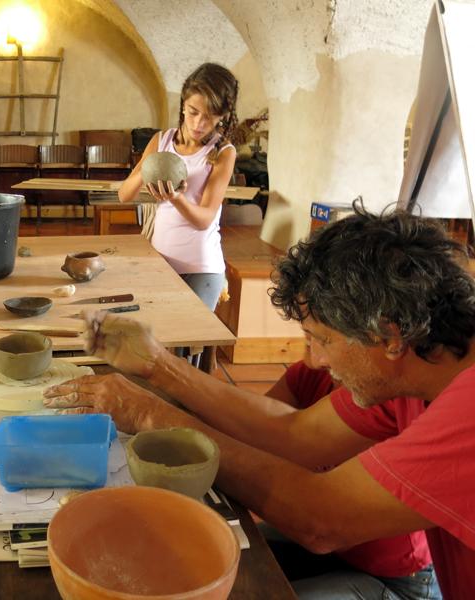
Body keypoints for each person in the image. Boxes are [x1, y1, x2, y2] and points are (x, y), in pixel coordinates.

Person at [44, 204, 475, 599]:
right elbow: (296, 435)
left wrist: (148, 412)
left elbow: (320, 520)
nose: (316, 359)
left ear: (390, 335)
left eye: (322, 339)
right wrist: (158, 365)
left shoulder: (466, 411)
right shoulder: (413, 371)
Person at [257, 351, 440, 598]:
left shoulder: (383, 400)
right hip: (335, 550)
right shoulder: (310, 375)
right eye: (308, 333)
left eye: (324, 339)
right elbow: (255, 434)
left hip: (399, 580)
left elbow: (323, 530)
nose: (313, 357)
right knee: (241, 552)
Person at [118, 63, 238, 311]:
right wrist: (149, 168)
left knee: (185, 346)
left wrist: (176, 198)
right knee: (157, 339)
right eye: (193, 112)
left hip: (202, 268)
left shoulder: (224, 152)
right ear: (183, 103)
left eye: (209, 117)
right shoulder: (161, 140)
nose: (199, 124)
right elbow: (124, 195)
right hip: (160, 261)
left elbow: (204, 219)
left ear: (222, 116)